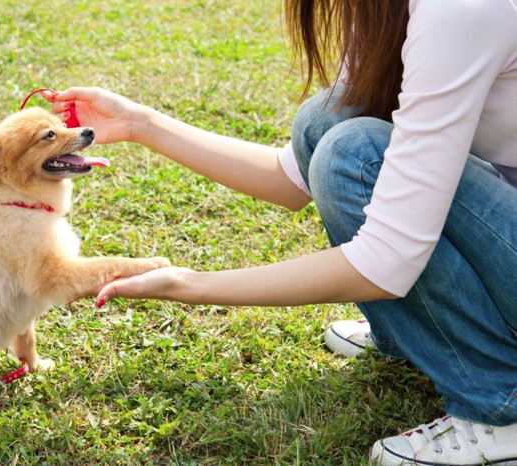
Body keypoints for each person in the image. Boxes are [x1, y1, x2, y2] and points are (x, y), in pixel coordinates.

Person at [45, 1, 517, 464]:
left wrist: (189, 284)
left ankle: (500, 412)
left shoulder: (461, 10)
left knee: (357, 154)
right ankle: (418, 335)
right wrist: (137, 124)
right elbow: (290, 177)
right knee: (326, 121)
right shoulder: (390, 10)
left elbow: (386, 260)